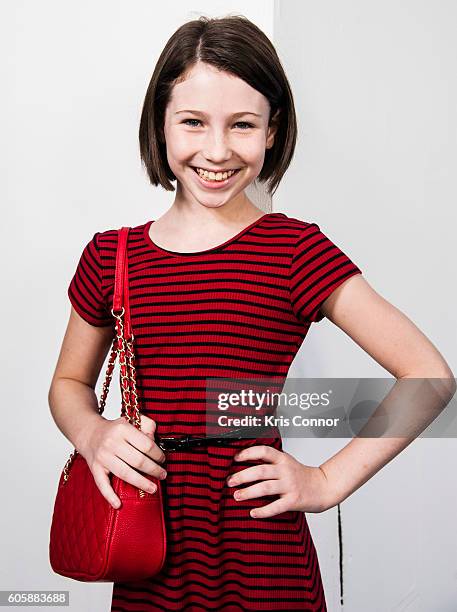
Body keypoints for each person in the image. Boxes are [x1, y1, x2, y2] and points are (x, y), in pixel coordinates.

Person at [48, 14, 455, 612]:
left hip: (262, 552)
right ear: (159, 125)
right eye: (192, 122)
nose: (217, 150)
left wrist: (324, 481)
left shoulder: (294, 250)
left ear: (272, 131)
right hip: (148, 549)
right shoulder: (112, 255)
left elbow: (429, 376)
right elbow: (68, 383)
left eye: (242, 124)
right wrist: (91, 432)